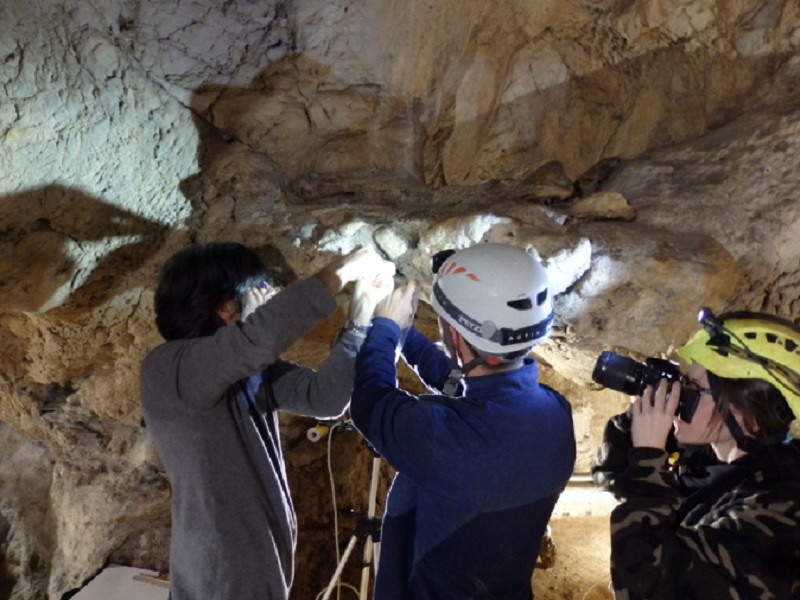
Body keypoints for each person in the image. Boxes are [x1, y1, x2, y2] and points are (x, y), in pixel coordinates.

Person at [139, 242, 393, 600]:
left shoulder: (248, 373)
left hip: (259, 567)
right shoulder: (170, 369)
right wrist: (339, 272)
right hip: (220, 577)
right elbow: (257, 340)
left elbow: (326, 398)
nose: (271, 296)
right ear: (227, 309)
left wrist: (361, 313)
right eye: (262, 289)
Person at [350, 242, 576, 599]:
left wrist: (384, 329)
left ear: (454, 336)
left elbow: (368, 400)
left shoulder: (443, 439)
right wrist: (405, 335)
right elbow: (475, 398)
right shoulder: (555, 415)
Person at [592, 309, 800, 599]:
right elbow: (612, 471)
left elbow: (646, 587)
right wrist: (643, 414)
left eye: (692, 388)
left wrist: (649, 456)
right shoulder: (712, 457)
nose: (678, 394)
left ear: (747, 412)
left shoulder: (777, 514)